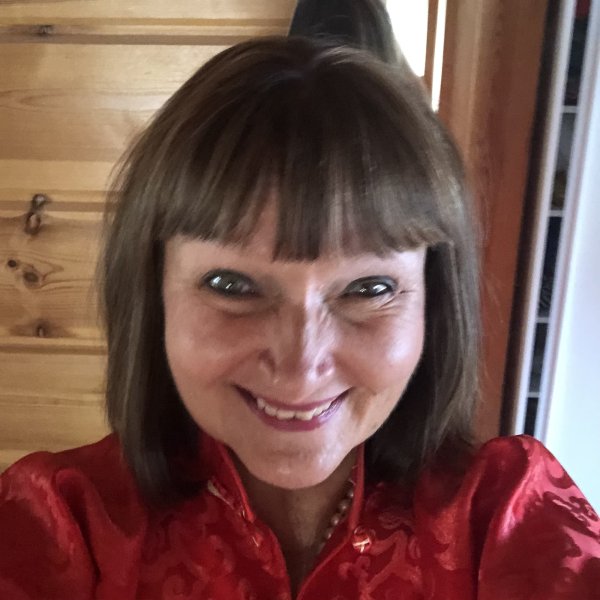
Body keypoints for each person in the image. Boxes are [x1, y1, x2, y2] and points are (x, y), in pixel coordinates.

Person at [1, 2, 599, 599]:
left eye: (368, 289)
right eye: (232, 286)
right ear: (154, 291)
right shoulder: (61, 523)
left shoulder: (505, 516)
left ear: (433, 304)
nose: (301, 362)